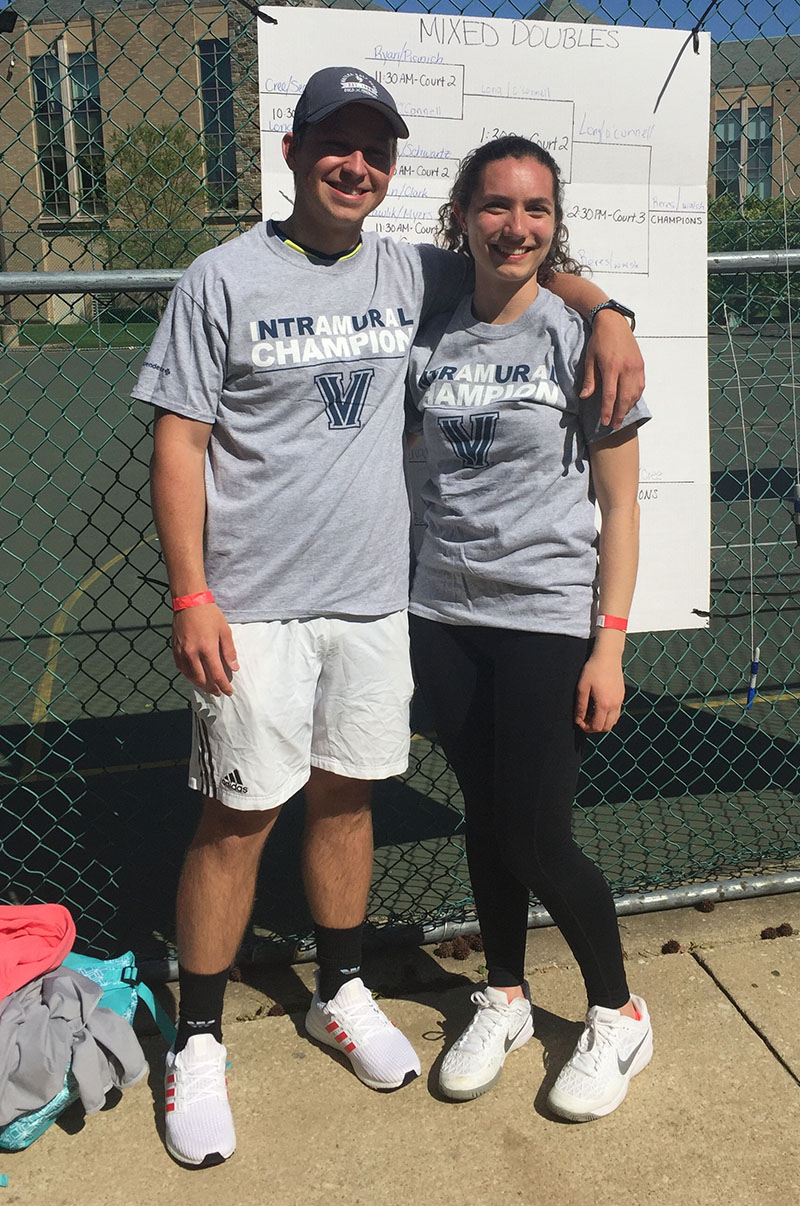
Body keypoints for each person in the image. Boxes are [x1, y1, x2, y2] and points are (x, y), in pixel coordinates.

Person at [131, 69, 645, 1166]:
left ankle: (344, 988)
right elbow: (178, 443)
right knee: (236, 819)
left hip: (377, 603)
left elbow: (533, 263)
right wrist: (191, 594)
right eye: (335, 142)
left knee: (346, 801)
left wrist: (609, 311)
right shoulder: (220, 279)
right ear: (294, 149)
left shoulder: (412, 270)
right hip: (256, 605)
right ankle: (200, 1036)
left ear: (394, 172)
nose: (353, 163)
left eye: (375, 147)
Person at [406, 135, 652, 1121]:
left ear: (554, 226)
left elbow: (620, 508)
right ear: (461, 213)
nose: (515, 226)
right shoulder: (428, 326)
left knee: (539, 837)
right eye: (496, 206)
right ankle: (502, 992)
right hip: (440, 612)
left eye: (535, 209)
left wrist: (609, 643)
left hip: (546, 617)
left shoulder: (578, 335)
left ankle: (616, 1011)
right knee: (484, 817)